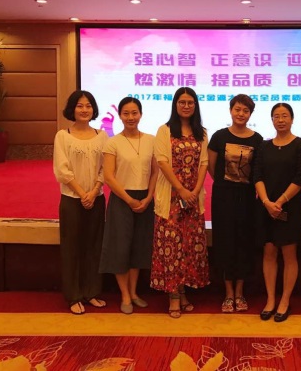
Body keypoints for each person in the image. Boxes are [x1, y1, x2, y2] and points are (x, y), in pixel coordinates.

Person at [151, 87, 210, 318]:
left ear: (195, 105)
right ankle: (173, 296)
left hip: (192, 200)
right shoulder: (164, 130)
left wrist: (194, 190)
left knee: (188, 249)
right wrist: (181, 190)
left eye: (190, 102)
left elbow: (203, 163)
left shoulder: (201, 132)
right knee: (171, 248)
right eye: (182, 102)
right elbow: (163, 163)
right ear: (175, 105)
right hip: (171, 200)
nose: (186, 106)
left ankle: (183, 292)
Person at [254, 103, 301, 323]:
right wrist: (267, 202)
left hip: (289, 207)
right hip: (266, 208)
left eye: (285, 116)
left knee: (289, 255)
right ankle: (270, 299)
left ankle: (285, 300)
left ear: (292, 119)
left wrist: (279, 202)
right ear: (272, 120)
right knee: (269, 252)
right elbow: (257, 175)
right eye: (276, 116)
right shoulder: (264, 146)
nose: (281, 120)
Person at [99, 97, 158, 314]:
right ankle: (124, 294)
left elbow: (155, 172)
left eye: (134, 113)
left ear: (141, 114)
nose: (130, 117)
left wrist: (149, 197)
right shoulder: (113, 142)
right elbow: (109, 176)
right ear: (120, 116)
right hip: (122, 199)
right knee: (120, 247)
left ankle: (134, 293)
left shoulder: (151, 140)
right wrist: (129, 199)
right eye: (126, 113)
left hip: (145, 199)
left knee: (139, 247)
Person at [53, 90, 108, 315]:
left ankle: (91, 292)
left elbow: (106, 168)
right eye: (79, 106)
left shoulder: (102, 136)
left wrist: (93, 192)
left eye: (88, 106)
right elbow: (62, 170)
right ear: (72, 109)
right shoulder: (63, 136)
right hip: (71, 200)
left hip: (97, 198)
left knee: (94, 246)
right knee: (72, 248)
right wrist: (82, 193)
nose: (84, 110)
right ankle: (74, 296)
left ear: (93, 109)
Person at [208, 94, 263, 313]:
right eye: (237, 109)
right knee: (225, 243)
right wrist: (226, 184)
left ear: (250, 114)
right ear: (231, 110)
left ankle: (240, 292)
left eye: (245, 111)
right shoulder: (219, 136)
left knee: (244, 243)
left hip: (247, 198)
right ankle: (228, 293)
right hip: (223, 197)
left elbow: (258, 171)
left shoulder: (257, 139)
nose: (241, 114)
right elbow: (212, 168)